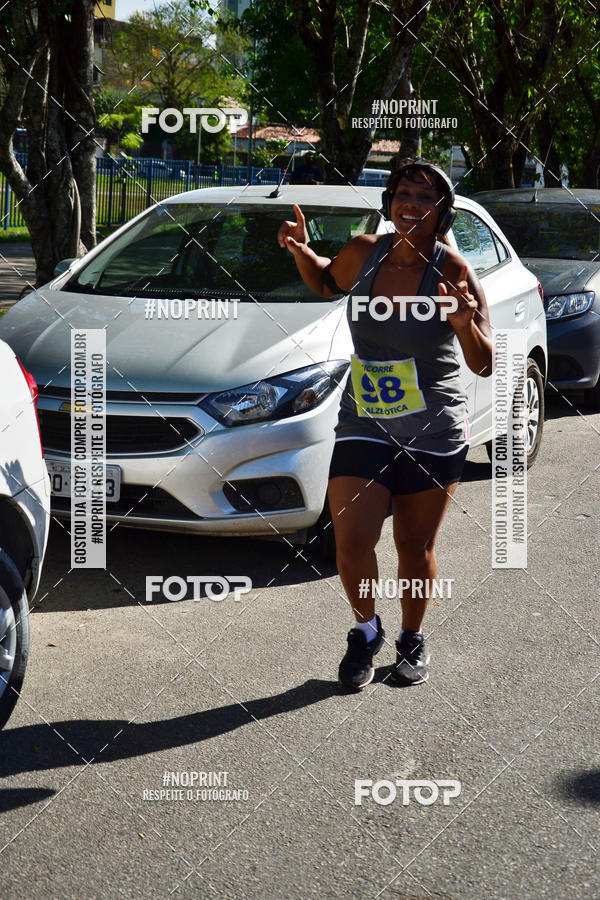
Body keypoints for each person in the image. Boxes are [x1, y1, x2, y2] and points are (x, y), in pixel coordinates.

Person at [277, 160, 494, 691]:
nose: (411, 203)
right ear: (389, 200)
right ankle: (365, 630)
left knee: (413, 547)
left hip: (432, 429)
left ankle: (412, 640)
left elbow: (485, 362)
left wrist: (464, 325)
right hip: (364, 422)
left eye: (425, 196)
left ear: (442, 210)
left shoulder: (453, 272)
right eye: (403, 192)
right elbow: (327, 282)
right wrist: (300, 250)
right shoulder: (364, 251)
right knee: (351, 539)